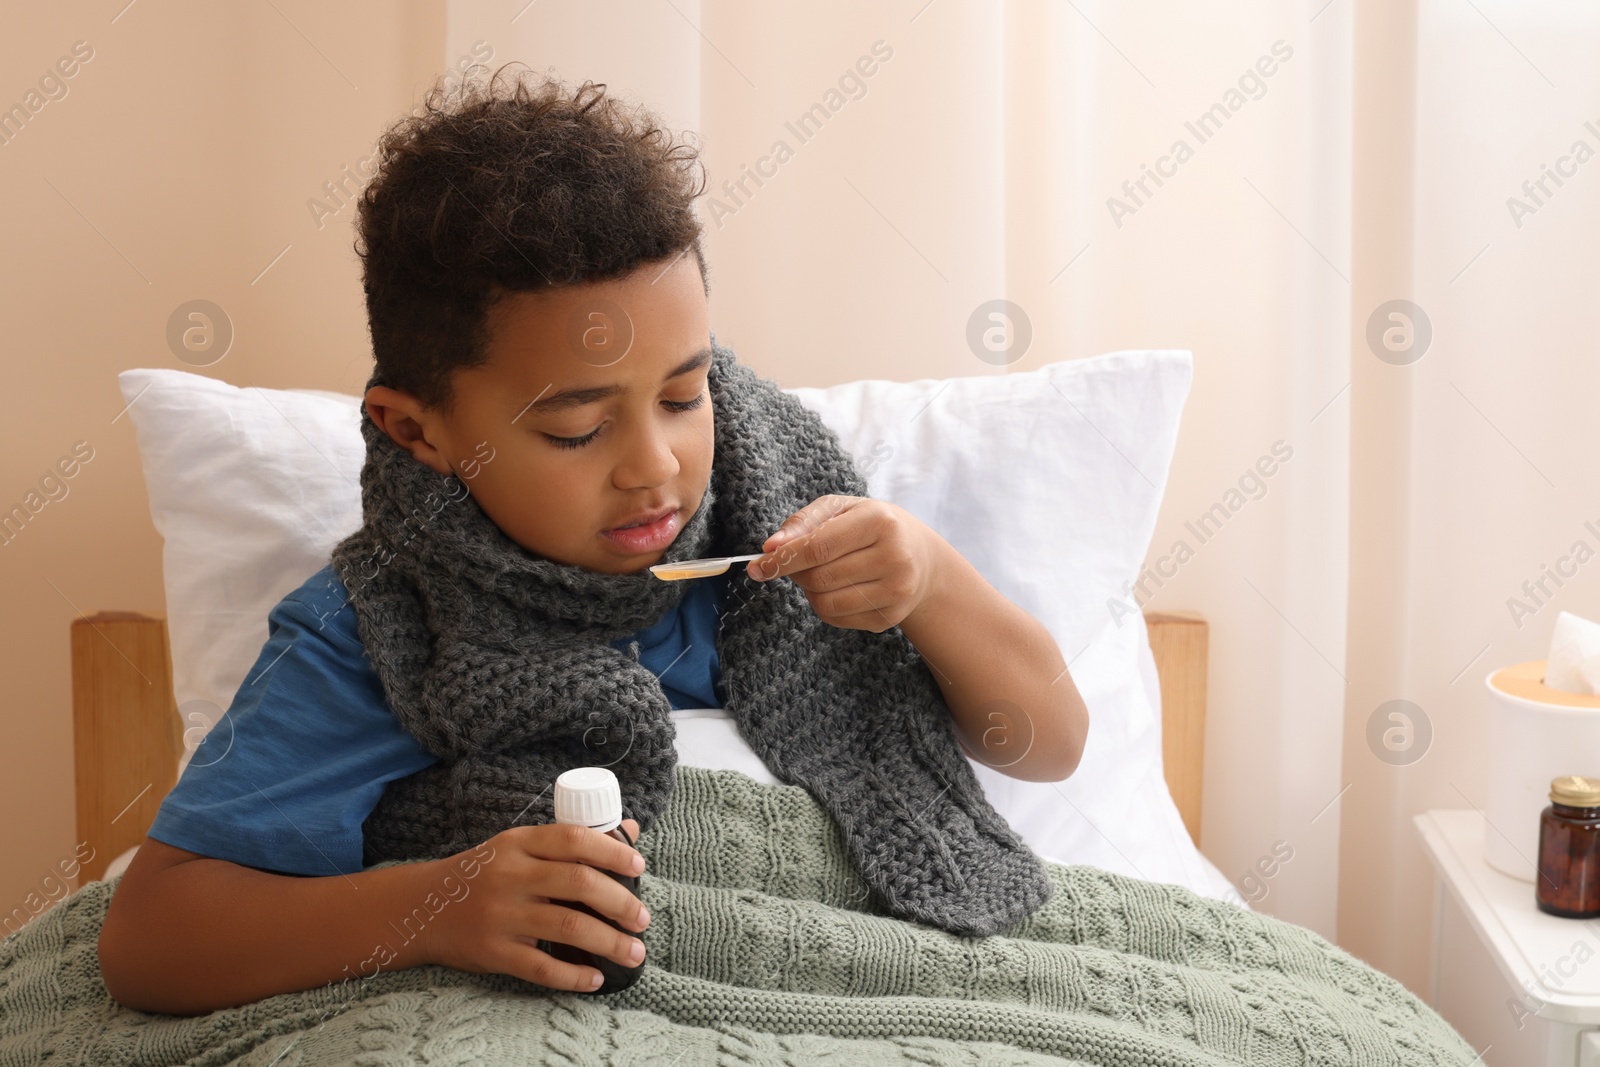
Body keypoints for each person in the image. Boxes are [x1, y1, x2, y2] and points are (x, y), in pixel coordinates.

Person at [97, 64, 1088, 1017]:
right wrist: (438, 908)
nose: (653, 464)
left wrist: (932, 579)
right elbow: (150, 936)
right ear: (418, 430)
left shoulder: (790, 523)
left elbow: (1050, 744)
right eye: (575, 427)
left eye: (682, 394)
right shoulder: (383, 633)